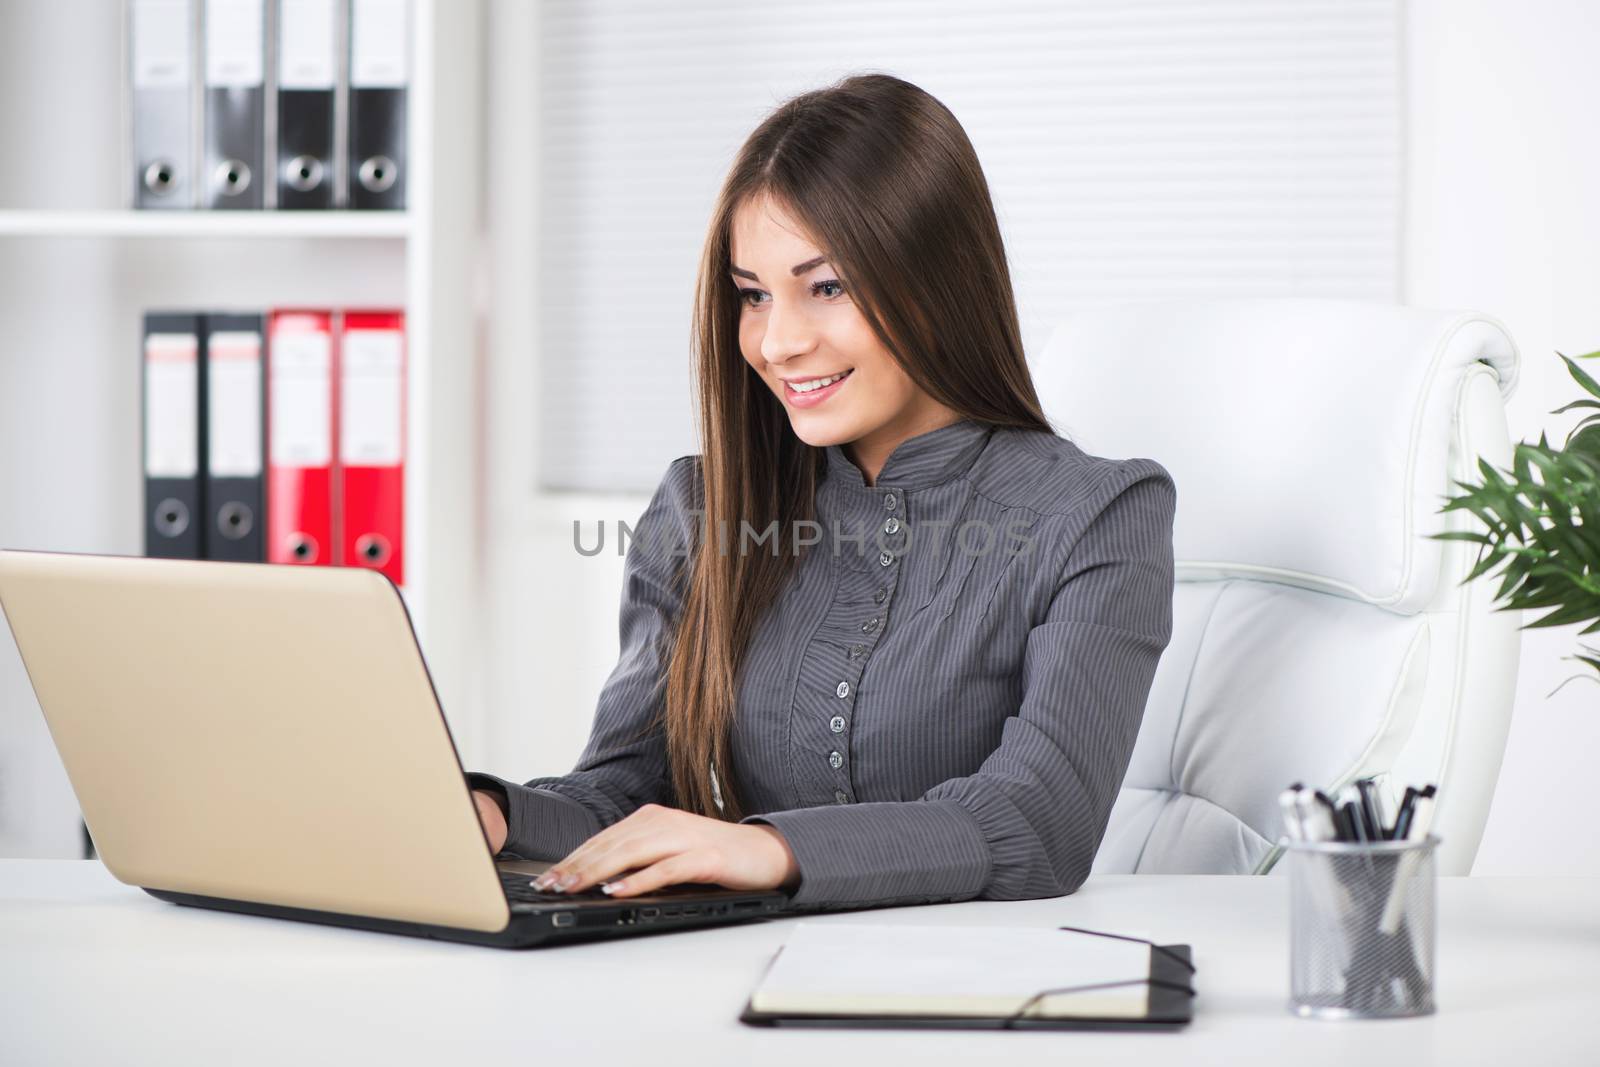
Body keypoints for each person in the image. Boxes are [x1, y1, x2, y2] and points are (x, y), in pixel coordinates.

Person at [466, 72, 1176, 912]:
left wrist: (769, 848)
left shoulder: (1099, 517)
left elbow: (1038, 820)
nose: (778, 340)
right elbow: (629, 788)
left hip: (974, 1003)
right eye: (754, 295)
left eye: (827, 286)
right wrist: (492, 815)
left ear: (940, 279)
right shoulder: (701, 510)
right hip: (734, 996)